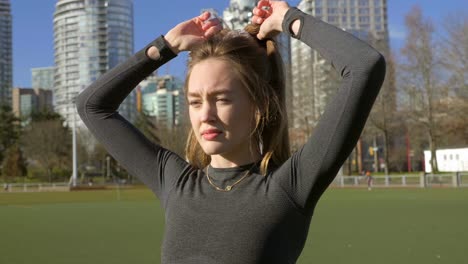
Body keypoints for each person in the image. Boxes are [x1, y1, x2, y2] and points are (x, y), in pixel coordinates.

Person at [76, 1, 386, 263]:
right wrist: (165, 47)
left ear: (258, 105)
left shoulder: (288, 188)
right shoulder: (175, 182)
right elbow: (92, 106)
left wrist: (290, 19)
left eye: (221, 99)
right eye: (195, 102)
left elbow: (364, 66)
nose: (205, 116)